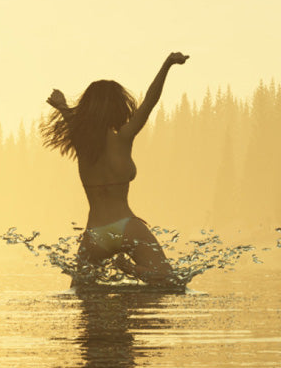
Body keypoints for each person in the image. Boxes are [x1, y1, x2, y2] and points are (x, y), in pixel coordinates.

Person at [42, 52, 190, 286]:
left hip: (94, 234)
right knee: (170, 281)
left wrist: (62, 106)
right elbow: (150, 101)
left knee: (83, 293)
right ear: (117, 106)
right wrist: (167, 64)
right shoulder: (124, 137)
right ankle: (129, 268)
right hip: (126, 227)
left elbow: (71, 117)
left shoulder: (81, 140)